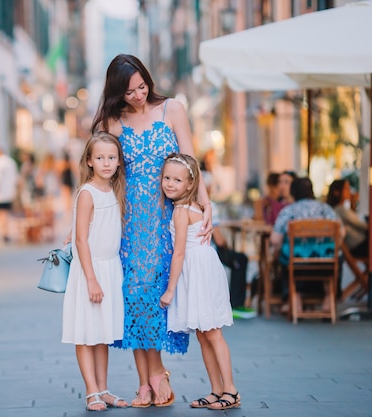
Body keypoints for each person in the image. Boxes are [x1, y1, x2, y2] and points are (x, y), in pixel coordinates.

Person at [90, 53, 212, 408]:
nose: (139, 95)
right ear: (117, 93)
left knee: (155, 296)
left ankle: (154, 376)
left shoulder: (172, 109)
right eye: (129, 92)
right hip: (127, 223)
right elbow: (101, 172)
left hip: (166, 220)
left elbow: (190, 161)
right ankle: (147, 381)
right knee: (134, 298)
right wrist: (83, 219)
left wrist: (206, 206)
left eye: (142, 86)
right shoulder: (113, 121)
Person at [159, 153, 239, 410]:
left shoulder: (182, 211)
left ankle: (231, 389)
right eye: (166, 178)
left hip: (198, 270)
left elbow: (179, 252)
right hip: (201, 266)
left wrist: (170, 290)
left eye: (177, 180)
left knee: (213, 333)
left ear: (190, 184)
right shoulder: (192, 207)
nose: (170, 184)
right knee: (204, 335)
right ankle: (216, 389)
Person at [61, 132, 128, 411]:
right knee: (86, 331)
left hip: (110, 268)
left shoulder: (115, 189)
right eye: (100, 158)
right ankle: (91, 391)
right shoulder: (87, 193)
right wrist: (91, 279)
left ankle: (104, 388)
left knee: (103, 333)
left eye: (112, 157)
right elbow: (81, 240)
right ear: (89, 161)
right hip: (91, 270)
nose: (106, 163)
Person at [270, 177, 344, 312]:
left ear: (293, 192)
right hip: (326, 263)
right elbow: (342, 233)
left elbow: (275, 240)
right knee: (337, 255)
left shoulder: (289, 211)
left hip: (297, 264)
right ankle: (329, 297)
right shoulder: (326, 209)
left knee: (284, 256)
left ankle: (295, 297)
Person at [203, 171, 256, 319]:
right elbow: (219, 240)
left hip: (197, 248)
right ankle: (236, 304)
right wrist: (228, 246)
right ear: (206, 188)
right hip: (209, 250)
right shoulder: (209, 205)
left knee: (236, 258)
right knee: (240, 259)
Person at [327, 179, 368, 257]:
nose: (350, 191)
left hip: (357, 244)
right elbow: (363, 226)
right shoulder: (340, 210)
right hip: (358, 245)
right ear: (337, 192)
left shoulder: (340, 209)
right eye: (346, 188)